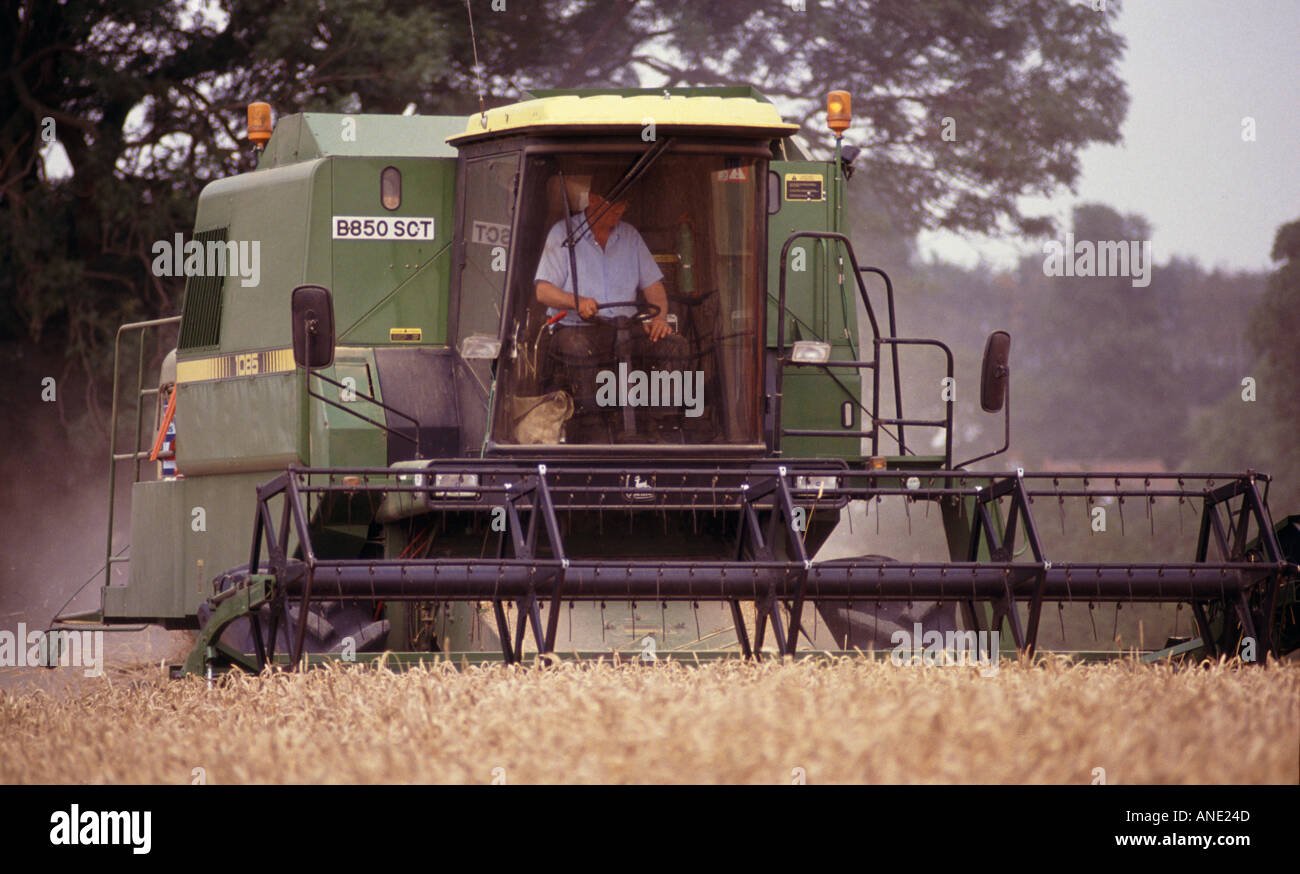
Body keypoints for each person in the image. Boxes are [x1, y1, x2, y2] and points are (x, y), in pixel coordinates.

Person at [534, 174, 690, 442]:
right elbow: (542, 291)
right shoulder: (563, 233)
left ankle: (658, 424)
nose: (619, 213)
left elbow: (654, 289)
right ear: (593, 200)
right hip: (576, 327)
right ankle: (590, 425)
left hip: (624, 328)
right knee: (579, 348)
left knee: (675, 346)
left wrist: (661, 318)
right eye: (613, 206)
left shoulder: (630, 236)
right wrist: (577, 302)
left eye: (622, 207)